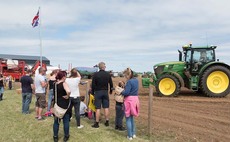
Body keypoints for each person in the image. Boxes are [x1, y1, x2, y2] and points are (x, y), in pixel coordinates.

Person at [91, 62, 113, 128]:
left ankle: (97, 123)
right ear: (104, 67)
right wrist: (111, 91)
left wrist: (92, 92)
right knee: (106, 107)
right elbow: (111, 84)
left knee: (98, 108)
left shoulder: (95, 74)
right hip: (105, 92)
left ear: (99, 67)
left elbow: (93, 85)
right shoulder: (108, 74)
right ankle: (107, 121)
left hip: (98, 92)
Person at [121, 68, 140, 140]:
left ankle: (130, 135)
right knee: (132, 118)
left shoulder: (129, 82)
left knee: (128, 118)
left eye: (125, 76)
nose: (125, 77)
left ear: (128, 75)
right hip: (135, 100)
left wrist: (121, 91)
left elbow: (126, 92)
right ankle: (133, 133)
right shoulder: (136, 81)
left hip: (129, 100)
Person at [53, 71, 71, 142]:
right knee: (66, 121)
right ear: (63, 77)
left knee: (56, 122)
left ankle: (55, 136)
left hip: (57, 104)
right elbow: (68, 91)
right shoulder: (64, 83)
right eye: (65, 76)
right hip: (64, 105)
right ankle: (66, 136)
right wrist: (68, 95)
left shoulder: (55, 84)